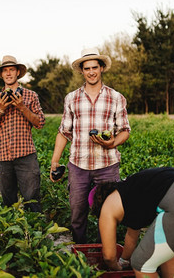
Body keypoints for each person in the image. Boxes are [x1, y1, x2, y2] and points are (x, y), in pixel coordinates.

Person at [50, 47, 130, 243]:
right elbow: (64, 132)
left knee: (109, 213)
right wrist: (54, 161)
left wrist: (112, 143)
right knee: (77, 215)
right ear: (82, 71)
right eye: (87, 68)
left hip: (107, 165)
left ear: (102, 68)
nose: (91, 72)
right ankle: (80, 254)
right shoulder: (72, 98)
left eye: (95, 67)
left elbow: (125, 130)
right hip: (78, 165)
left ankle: (106, 252)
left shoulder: (116, 97)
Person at [91, 167, 174, 278]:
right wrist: (124, 261)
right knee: (164, 252)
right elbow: (131, 237)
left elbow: (108, 256)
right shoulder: (130, 193)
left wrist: (116, 268)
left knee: (141, 264)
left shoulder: (107, 207)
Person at [0, 55, 45, 212]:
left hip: (26, 156)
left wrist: (22, 107)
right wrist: (0, 109)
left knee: (32, 200)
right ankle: (12, 233)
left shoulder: (30, 96)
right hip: (3, 157)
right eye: (5, 71)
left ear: (18, 72)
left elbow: (39, 123)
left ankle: (35, 232)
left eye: (12, 70)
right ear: (2, 74)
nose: (8, 73)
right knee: (8, 202)